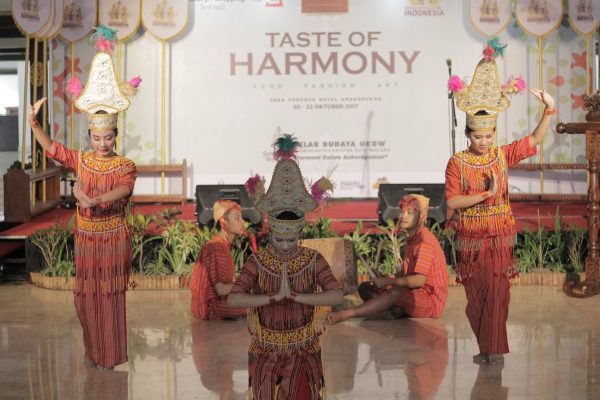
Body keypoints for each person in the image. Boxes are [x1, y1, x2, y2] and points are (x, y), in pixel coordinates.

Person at [28, 25, 140, 369]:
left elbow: (125, 189)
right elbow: (53, 149)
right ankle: (94, 349)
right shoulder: (82, 159)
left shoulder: (125, 164)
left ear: (115, 135)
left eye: (108, 138)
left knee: (110, 297)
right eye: (96, 137)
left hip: (113, 238)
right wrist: (34, 125)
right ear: (89, 135)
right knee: (85, 298)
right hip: (87, 240)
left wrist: (96, 200)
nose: (102, 144)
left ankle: (110, 356)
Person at [445, 37, 555, 365]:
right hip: (470, 239)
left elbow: (534, 139)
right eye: (478, 136)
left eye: (488, 135)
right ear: (468, 134)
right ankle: (486, 348)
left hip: (498, 237)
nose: (483, 141)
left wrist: (549, 109)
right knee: (475, 299)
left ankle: (495, 351)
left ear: (494, 132)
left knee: (497, 295)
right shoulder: (457, 162)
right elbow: (452, 202)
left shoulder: (502, 155)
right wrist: (484, 194)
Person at [228, 134, 344, 399]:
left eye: (291, 240)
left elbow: (336, 295)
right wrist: (272, 297)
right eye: (278, 239)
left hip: (303, 349)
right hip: (265, 350)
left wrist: (296, 296)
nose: (284, 245)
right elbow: (234, 299)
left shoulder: (312, 259)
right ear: (270, 233)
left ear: (300, 234)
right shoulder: (257, 261)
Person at [326, 194, 448, 325]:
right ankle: (396, 309)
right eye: (402, 211)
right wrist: (384, 278)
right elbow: (406, 276)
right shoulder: (411, 240)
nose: (403, 216)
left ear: (422, 217)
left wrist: (387, 281)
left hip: (429, 302)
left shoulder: (425, 242)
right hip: (413, 293)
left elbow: (418, 281)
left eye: (410, 212)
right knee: (366, 287)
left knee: (395, 292)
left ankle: (347, 314)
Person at [190, 199, 247, 320]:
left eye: (241, 217)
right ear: (224, 222)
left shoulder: (223, 245)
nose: (243, 222)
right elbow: (221, 289)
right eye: (237, 218)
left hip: (217, 302)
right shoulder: (216, 247)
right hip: (209, 307)